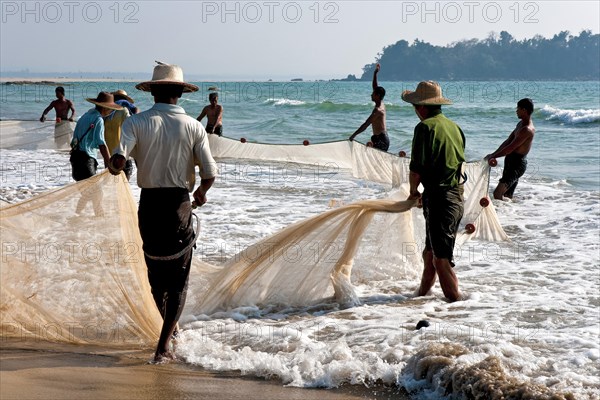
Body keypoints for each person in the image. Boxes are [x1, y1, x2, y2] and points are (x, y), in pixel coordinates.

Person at [108, 62, 217, 363]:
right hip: (179, 207)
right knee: (178, 281)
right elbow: (209, 173)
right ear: (180, 93)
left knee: (156, 279)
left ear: (153, 90)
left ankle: (169, 334)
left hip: (149, 207)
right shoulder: (194, 127)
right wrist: (201, 194)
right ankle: (164, 344)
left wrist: (115, 164)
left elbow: (119, 159)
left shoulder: (136, 122)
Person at [402, 81, 465, 302]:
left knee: (441, 259)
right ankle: (420, 297)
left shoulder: (424, 128)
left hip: (440, 200)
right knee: (429, 254)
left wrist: (413, 192)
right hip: (455, 196)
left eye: (415, 106)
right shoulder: (454, 127)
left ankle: (457, 307)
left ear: (421, 107)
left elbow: (416, 168)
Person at [485, 98, 535, 200]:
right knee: (507, 196)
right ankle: (510, 214)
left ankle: (500, 215)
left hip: (516, 165)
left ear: (524, 110)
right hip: (510, 163)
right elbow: (508, 141)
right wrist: (493, 154)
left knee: (497, 193)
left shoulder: (527, 130)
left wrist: (493, 156)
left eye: (518, 108)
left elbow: (510, 148)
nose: (516, 111)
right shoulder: (520, 124)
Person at [70, 91, 122, 182]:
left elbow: (74, 139)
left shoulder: (85, 116)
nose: (111, 111)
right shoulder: (98, 119)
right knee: (95, 193)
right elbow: (102, 144)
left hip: (75, 160)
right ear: (105, 108)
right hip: (86, 162)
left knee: (85, 194)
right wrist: (110, 164)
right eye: (111, 109)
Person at [349, 63, 389, 151]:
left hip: (381, 140)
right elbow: (375, 86)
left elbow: (366, 124)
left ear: (377, 96)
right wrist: (375, 73)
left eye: (373, 94)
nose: (371, 95)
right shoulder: (381, 103)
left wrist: (353, 135)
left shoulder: (377, 110)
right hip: (381, 138)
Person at [103, 101, 133, 180]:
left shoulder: (105, 113)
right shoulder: (123, 111)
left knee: (113, 185)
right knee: (124, 184)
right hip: (122, 156)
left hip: (110, 156)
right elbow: (132, 125)